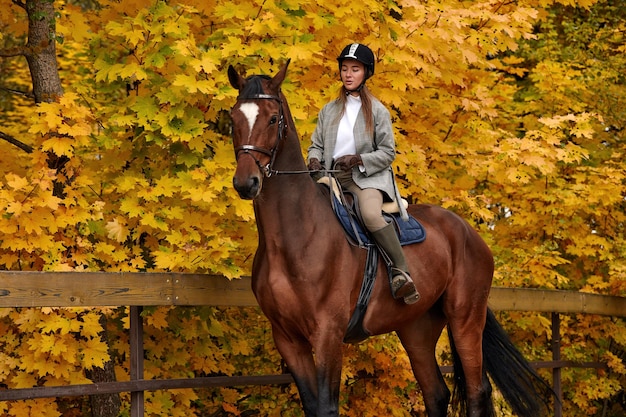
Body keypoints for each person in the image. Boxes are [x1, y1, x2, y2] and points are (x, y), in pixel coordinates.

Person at [307, 43, 419, 305]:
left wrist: (359, 159)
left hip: (366, 178)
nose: (348, 74)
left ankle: (401, 270)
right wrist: (313, 158)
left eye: (354, 69)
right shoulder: (328, 110)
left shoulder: (378, 111)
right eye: (344, 69)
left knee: (369, 214)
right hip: (331, 177)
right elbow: (316, 144)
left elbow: (388, 153)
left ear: (366, 73)